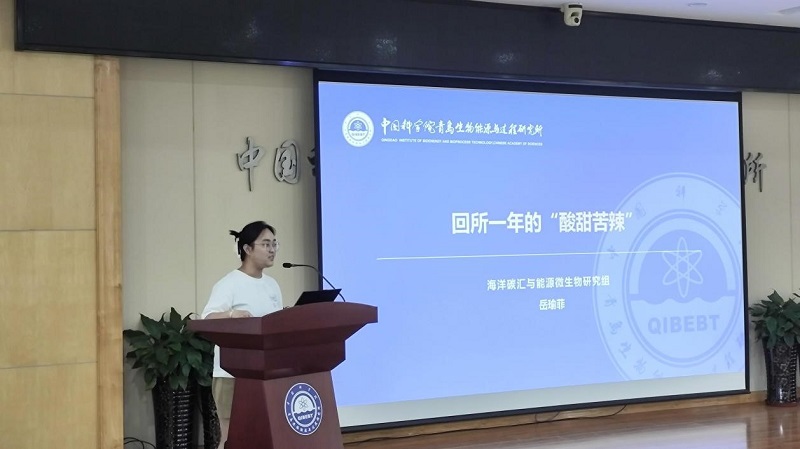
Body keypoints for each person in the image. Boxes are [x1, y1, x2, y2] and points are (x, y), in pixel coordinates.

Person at [201, 220, 283, 448]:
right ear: (247, 248)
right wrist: (231, 315)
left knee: (263, 435)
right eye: (266, 244)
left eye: (275, 244)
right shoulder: (229, 284)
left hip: (266, 372)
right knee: (232, 437)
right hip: (232, 374)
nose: (272, 249)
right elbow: (206, 319)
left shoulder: (272, 285)